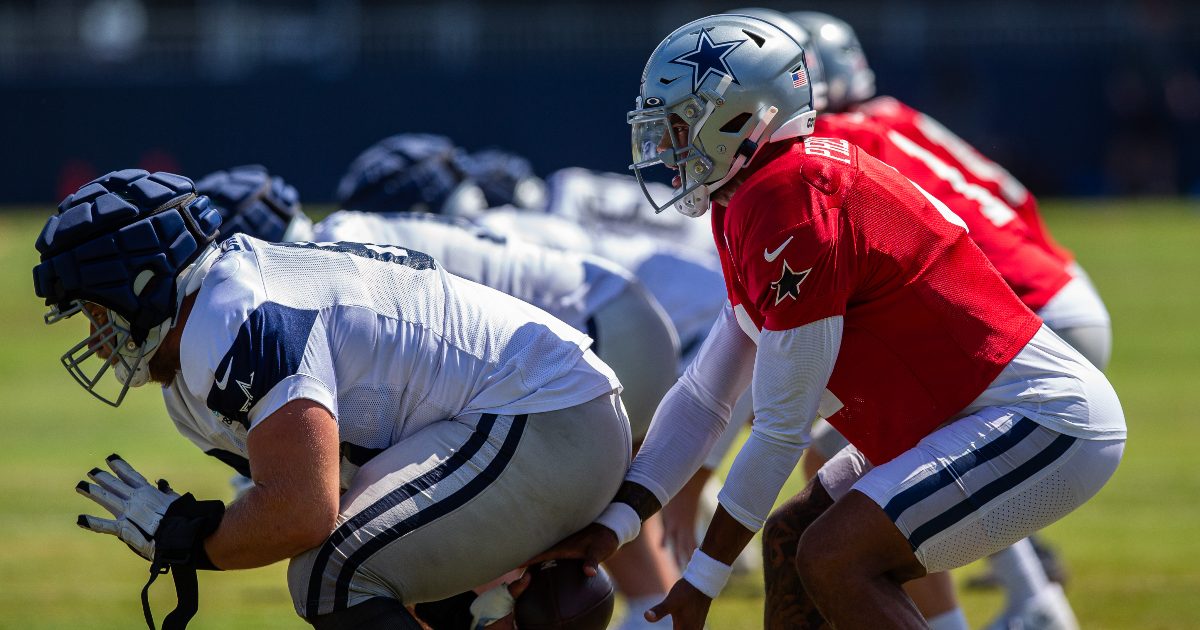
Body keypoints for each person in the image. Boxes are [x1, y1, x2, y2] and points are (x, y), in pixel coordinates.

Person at [531, 13, 1125, 630]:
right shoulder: (751, 194)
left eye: (682, 122)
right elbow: (706, 392)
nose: (667, 143)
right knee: (794, 539)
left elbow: (783, 426)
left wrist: (702, 578)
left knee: (838, 557)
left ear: (744, 116)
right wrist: (619, 523)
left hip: (1036, 416)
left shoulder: (796, 199)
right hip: (961, 414)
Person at [35, 169, 631, 629]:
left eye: (96, 312)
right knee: (383, 573)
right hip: (514, 419)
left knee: (334, 575)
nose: (96, 337)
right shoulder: (207, 341)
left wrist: (187, 536)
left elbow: (301, 512)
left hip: (543, 413)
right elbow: (328, 499)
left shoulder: (233, 319)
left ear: (141, 283)